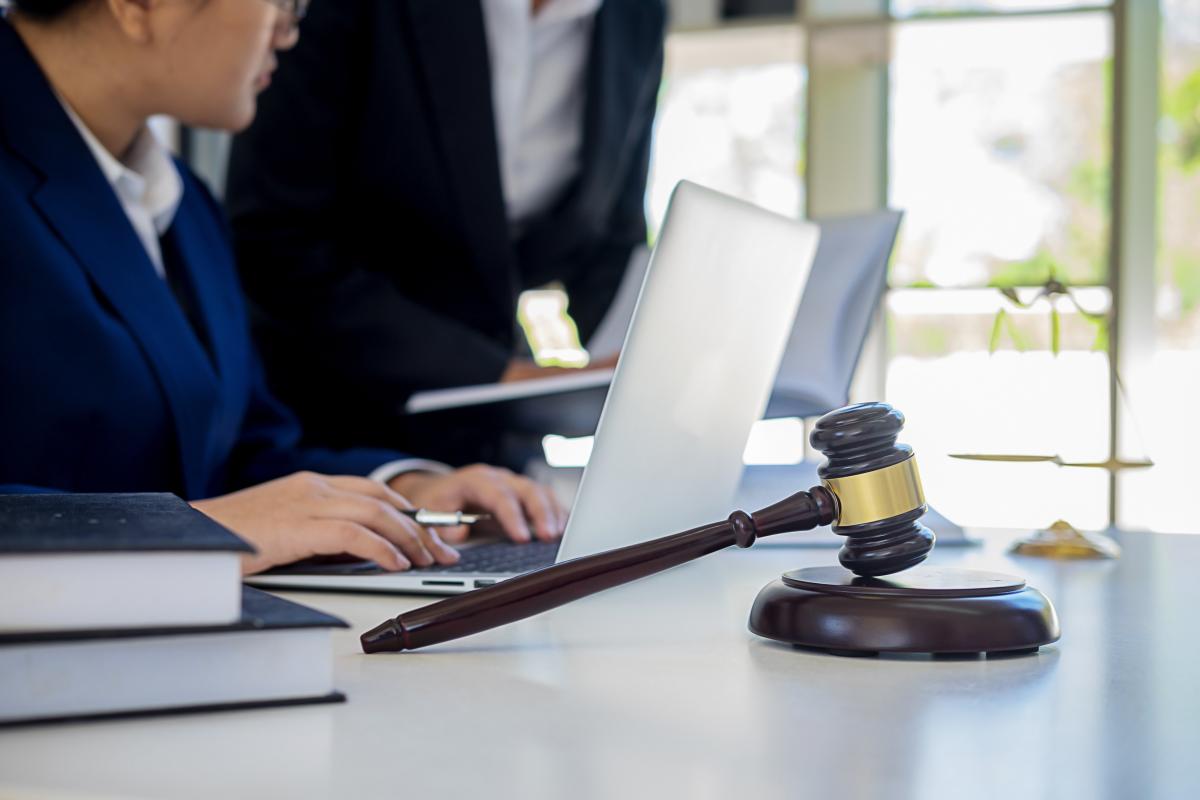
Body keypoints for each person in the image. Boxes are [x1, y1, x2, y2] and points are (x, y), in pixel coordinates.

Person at [0, 0, 564, 576]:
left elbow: (239, 458)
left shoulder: (182, 203)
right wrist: (196, 532)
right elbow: (221, 511)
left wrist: (404, 490)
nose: (289, 32)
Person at [224, 0, 666, 461]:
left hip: (496, 442)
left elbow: (611, 234)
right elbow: (272, 240)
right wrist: (499, 377)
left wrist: (638, 367)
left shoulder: (635, 16)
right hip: (330, 426)